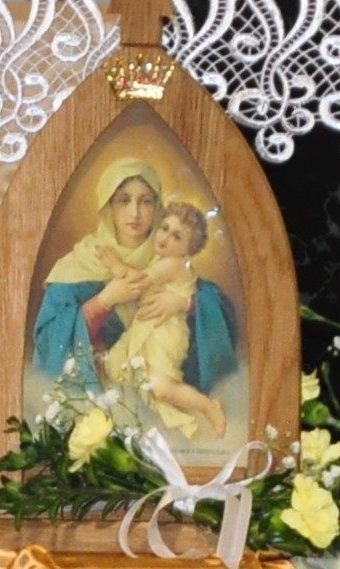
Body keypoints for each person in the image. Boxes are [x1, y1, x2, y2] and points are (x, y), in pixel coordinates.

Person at [28, 157, 237, 430]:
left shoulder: (170, 256)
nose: (135, 212)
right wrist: (104, 301)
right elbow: (49, 338)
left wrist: (185, 303)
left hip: (157, 384)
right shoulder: (80, 263)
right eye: (124, 200)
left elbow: (219, 311)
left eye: (146, 201)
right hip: (102, 400)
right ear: (108, 206)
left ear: (157, 207)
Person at [93, 198, 233, 440]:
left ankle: (209, 406)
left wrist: (117, 266)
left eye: (177, 237)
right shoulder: (162, 261)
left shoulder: (173, 264)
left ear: (188, 249)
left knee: (161, 387)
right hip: (149, 330)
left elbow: (139, 282)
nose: (165, 238)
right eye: (164, 228)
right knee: (117, 369)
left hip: (166, 335)